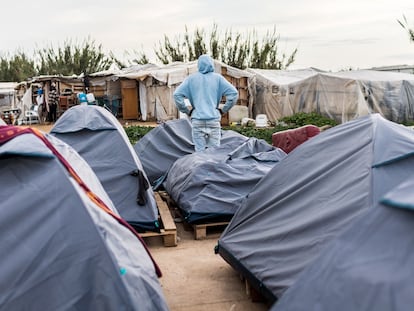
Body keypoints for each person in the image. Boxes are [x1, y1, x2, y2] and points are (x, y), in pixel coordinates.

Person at [173, 54, 239, 152]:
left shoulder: (191, 79)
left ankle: (200, 166)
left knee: (199, 152)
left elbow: (177, 95)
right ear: (211, 64)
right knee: (214, 152)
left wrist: (186, 111)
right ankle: (213, 166)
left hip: (197, 120)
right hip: (213, 120)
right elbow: (234, 94)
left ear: (199, 65)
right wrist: (224, 110)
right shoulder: (218, 78)